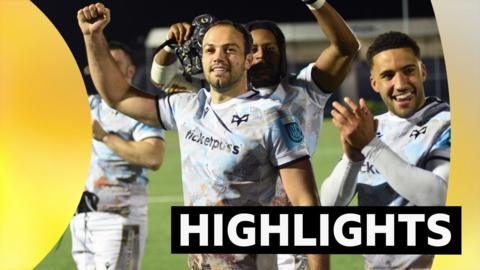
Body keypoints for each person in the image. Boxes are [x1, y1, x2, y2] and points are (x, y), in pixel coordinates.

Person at [77, 3, 327, 269]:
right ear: (202, 58)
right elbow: (119, 96)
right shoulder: (187, 107)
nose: (218, 56)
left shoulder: (273, 116)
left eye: (229, 49)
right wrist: (93, 36)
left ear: (247, 59)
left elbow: (306, 203)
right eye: (210, 50)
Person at [150, 1, 360, 268]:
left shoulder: (305, 89)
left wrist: (316, 3)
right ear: (245, 55)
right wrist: (170, 45)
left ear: (282, 53)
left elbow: (346, 48)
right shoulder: (218, 95)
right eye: (255, 49)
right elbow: (161, 77)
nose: (261, 56)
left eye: (270, 49)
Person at [320, 31, 451, 269]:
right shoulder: (372, 127)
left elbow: (441, 199)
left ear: (422, 72)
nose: (400, 84)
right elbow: (329, 207)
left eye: (408, 70)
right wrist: (352, 159)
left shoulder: (448, 123)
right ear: (374, 83)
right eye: (388, 75)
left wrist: (371, 146)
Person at [69, 41, 166, 270]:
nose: (103, 68)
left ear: (130, 71)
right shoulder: (85, 106)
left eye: (113, 63)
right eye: (99, 63)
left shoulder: (139, 110)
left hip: (120, 219)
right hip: (81, 219)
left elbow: (154, 156)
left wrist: (105, 137)